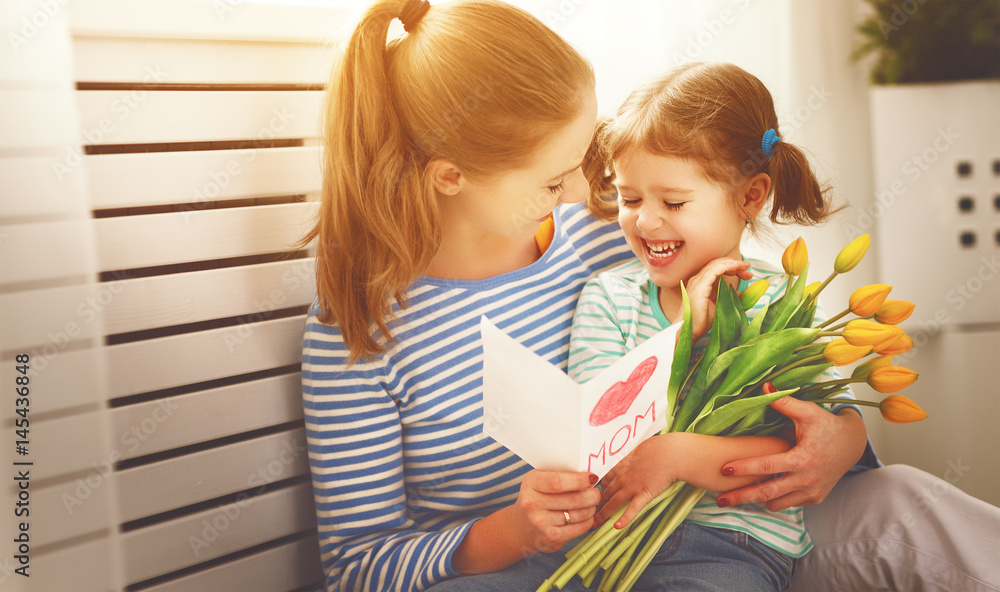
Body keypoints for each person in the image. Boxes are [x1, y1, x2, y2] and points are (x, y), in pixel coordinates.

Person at [297, 1, 999, 591]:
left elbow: (770, 361)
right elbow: (359, 566)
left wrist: (844, 438)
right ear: (451, 177)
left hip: (730, 522)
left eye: (586, 164)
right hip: (543, 567)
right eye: (554, 179)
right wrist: (511, 532)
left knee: (907, 503)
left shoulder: (609, 234)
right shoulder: (358, 333)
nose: (587, 197)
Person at [565, 61, 867, 591]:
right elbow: (598, 438)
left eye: (674, 202)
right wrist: (681, 340)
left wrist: (677, 457)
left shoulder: (782, 308)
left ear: (750, 197)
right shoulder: (610, 297)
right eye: (629, 198)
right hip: (604, 540)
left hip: (733, 546)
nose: (645, 220)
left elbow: (798, 452)